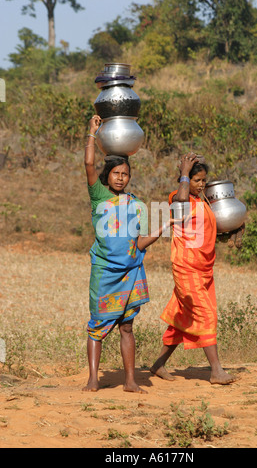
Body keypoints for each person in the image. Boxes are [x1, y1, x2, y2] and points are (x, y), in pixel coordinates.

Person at [83, 115, 178, 393]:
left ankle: (130, 380)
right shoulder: (99, 196)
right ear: (107, 175)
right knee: (98, 326)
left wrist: (164, 227)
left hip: (131, 272)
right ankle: (92, 379)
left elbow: (138, 243)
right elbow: (88, 163)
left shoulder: (137, 204)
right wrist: (92, 133)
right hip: (105, 272)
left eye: (125, 174)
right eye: (116, 173)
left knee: (127, 327)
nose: (121, 178)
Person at [150, 153, 243, 385]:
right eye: (196, 180)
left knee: (182, 317)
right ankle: (216, 371)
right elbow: (180, 203)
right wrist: (183, 173)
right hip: (186, 266)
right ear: (184, 179)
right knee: (205, 314)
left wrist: (234, 231)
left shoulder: (204, 203)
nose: (201, 185)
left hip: (204, 268)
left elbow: (210, 235)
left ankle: (158, 364)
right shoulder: (177, 198)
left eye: (203, 180)